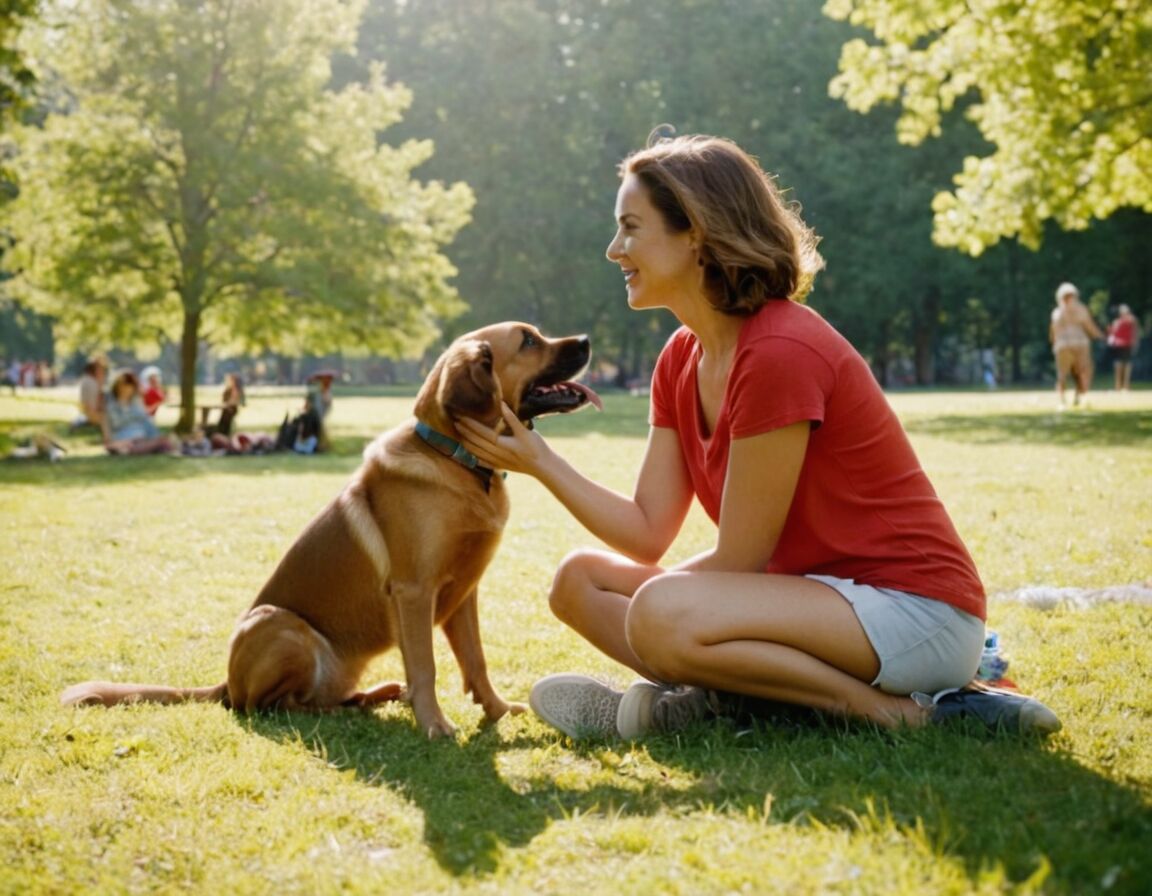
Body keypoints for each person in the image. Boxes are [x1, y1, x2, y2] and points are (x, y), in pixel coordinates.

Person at [457, 131, 1060, 740]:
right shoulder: (680, 358)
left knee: (661, 612)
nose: (615, 250)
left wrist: (660, 609)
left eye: (631, 227)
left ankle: (907, 714)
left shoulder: (777, 350)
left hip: (914, 612)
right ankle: (735, 698)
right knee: (579, 582)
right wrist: (541, 462)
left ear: (694, 232)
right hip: (812, 599)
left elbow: (740, 560)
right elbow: (646, 529)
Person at [1049, 282, 1103, 408]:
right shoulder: (1081, 309)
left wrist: (1054, 343)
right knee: (1082, 372)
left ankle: (1062, 400)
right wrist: (1101, 336)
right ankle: (1079, 397)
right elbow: (1090, 327)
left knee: (1062, 374)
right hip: (1080, 343)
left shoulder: (1057, 312)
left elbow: (1053, 331)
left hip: (1062, 345)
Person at [103, 369, 175, 455]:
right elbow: (116, 424)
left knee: (162, 440)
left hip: (141, 436)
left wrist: (155, 435)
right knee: (135, 445)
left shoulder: (136, 402)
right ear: (117, 386)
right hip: (124, 438)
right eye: (124, 386)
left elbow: (145, 419)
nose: (127, 390)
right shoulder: (111, 405)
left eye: (130, 386)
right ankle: (155, 445)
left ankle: (157, 445)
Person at [1106, 304, 1140, 392]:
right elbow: (1135, 332)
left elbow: (1112, 334)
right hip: (1123, 345)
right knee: (1124, 365)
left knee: (1121, 365)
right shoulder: (1130, 320)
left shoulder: (1119, 321)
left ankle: (1121, 386)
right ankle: (1124, 386)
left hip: (1123, 345)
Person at [71, 358, 107, 430]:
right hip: (94, 416)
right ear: (96, 370)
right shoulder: (93, 384)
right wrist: (100, 386)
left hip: (88, 415)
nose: (104, 372)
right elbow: (97, 407)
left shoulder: (86, 380)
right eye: (102, 370)